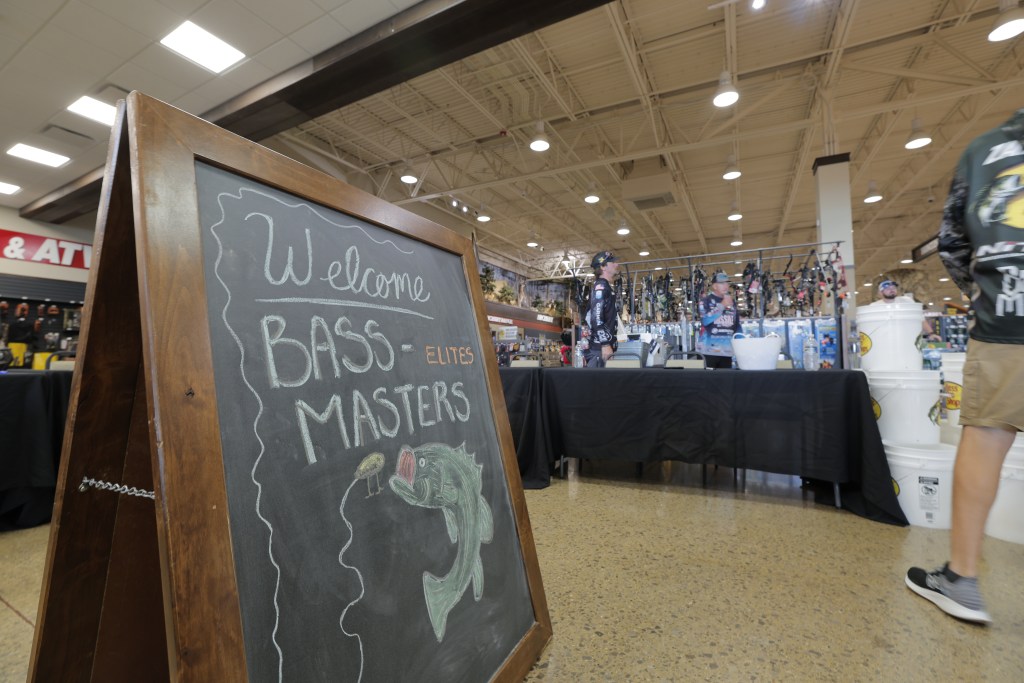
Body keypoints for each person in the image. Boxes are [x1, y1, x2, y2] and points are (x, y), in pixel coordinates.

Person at [905, 108, 1024, 625]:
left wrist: (985, 295)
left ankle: (963, 578)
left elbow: (953, 242)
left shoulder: (983, 151)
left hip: (1007, 316)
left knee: (987, 436)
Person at [582, 250, 619, 367]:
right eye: (612, 262)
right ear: (603, 267)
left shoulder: (605, 286)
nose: (616, 264)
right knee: (597, 379)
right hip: (599, 349)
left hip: (603, 347)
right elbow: (596, 318)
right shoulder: (601, 287)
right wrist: (605, 344)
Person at [696, 273, 741, 369]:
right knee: (708, 378)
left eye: (727, 283)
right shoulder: (705, 301)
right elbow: (705, 320)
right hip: (708, 351)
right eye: (721, 283)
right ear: (714, 286)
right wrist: (722, 305)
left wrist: (742, 343)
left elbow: (737, 326)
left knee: (726, 378)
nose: (725, 285)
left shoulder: (732, 302)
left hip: (726, 352)